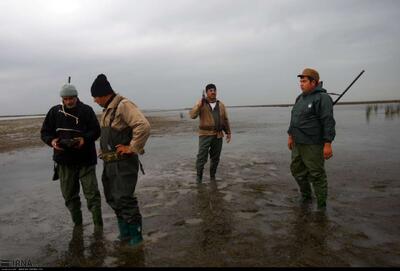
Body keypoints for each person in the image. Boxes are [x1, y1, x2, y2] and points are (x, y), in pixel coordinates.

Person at [90, 74, 150, 247]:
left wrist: (131, 148)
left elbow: (143, 126)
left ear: (104, 94)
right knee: (113, 198)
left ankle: (136, 238)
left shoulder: (123, 105)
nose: (94, 100)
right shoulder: (108, 109)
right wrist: (103, 151)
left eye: (95, 97)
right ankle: (124, 234)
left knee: (125, 198)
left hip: (123, 163)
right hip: (110, 163)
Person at [41, 83, 103, 228]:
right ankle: (78, 225)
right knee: (69, 196)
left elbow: (96, 131)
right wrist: (52, 141)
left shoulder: (86, 110)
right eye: (65, 98)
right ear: (62, 98)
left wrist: (84, 139)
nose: (68, 101)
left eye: (71, 98)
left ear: (77, 97)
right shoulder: (54, 112)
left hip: (86, 160)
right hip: (64, 161)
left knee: (92, 195)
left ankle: (98, 227)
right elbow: (45, 132)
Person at [287, 68, 336, 211]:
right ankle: (306, 195)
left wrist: (328, 144)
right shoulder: (299, 98)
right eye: (300, 81)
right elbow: (293, 118)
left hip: (313, 144)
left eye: (304, 81)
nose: (301, 84)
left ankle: (321, 206)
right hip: (297, 143)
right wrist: (290, 136)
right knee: (296, 170)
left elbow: (328, 122)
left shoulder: (323, 98)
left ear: (313, 82)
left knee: (317, 174)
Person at [190, 83, 232, 183]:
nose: (213, 92)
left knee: (215, 157)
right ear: (207, 92)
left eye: (214, 90)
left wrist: (228, 132)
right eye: (210, 90)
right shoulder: (201, 103)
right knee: (201, 157)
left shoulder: (221, 104)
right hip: (205, 134)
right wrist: (198, 105)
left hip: (218, 135)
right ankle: (199, 177)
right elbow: (192, 115)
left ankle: (212, 176)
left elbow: (225, 119)